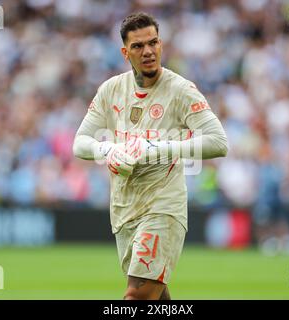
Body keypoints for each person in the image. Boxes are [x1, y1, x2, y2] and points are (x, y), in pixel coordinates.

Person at [73, 12, 229, 300]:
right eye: (138, 46)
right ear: (125, 52)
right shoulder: (111, 90)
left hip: (163, 206)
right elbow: (80, 143)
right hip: (124, 209)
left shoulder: (181, 90)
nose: (148, 51)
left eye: (153, 43)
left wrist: (160, 148)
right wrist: (109, 150)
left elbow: (219, 142)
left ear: (161, 44)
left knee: (136, 296)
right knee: (157, 297)